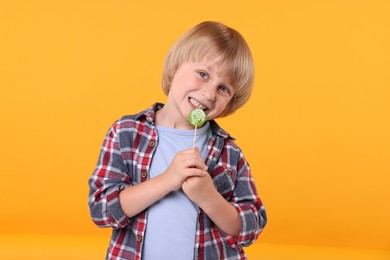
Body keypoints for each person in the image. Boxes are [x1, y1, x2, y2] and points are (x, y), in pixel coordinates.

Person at [88, 21, 267, 260]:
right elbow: (101, 210)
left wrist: (209, 197)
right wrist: (167, 180)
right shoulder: (126, 133)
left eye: (223, 88)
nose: (209, 94)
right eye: (203, 74)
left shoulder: (229, 153)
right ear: (175, 67)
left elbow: (251, 226)